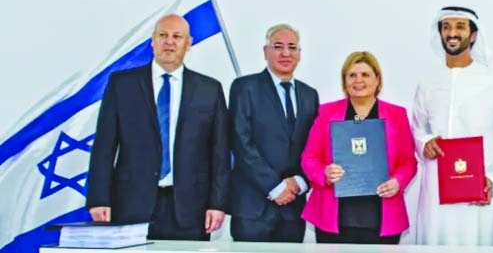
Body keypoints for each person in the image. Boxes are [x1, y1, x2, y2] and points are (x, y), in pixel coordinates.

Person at [86, 14, 230, 240]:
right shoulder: (122, 84)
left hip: (191, 208)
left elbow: (219, 152)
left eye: (177, 36)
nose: (169, 42)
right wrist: (98, 198)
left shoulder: (209, 89)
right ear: (152, 41)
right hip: (131, 204)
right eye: (163, 35)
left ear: (188, 43)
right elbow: (104, 147)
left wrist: (217, 203)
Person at [411, 6, 493, 245]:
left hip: (477, 194)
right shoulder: (428, 79)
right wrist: (424, 143)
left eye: (460, 26)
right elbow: (417, 126)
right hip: (434, 195)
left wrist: (492, 178)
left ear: (473, 35)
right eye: (446, 27)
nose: (452, 33)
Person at [301, 51, 417, 243]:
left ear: (377, 79)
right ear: (344, 81)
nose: (358, 80)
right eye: (352, 75)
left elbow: (408, 161)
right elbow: (309, 158)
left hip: (381, 215)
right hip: (334, 215)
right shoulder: (326, 112)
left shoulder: (397, 114)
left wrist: (398, 181)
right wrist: (324, 172)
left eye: (365, 75)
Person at [229, 23, 320, 242]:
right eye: (278, 46)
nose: (285, 53)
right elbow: (241, 141)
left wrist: (300, 181)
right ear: (265, 51)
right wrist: (274, 186)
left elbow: (315, 146)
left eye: (292, 47)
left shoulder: (310, 95)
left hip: (293, 209)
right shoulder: (244, 88)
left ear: (299, 54)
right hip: (253, 208)